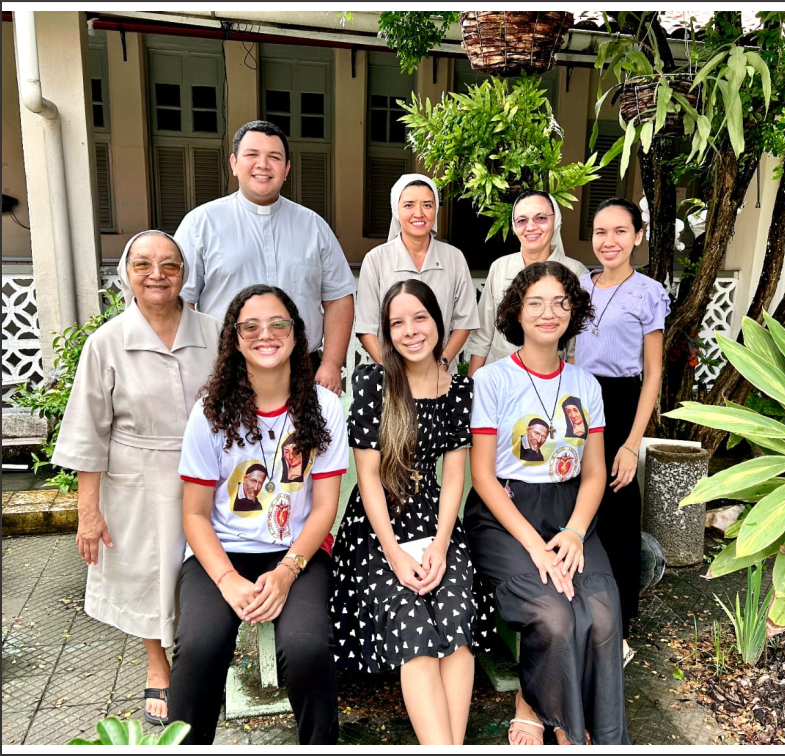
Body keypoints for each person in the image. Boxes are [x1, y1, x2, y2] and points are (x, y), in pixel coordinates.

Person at [51, 230, 220, 727]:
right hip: (136, 476)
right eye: (143, 264)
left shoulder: (213, 332)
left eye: (169, 265)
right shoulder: (107, 342)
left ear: (184, 273)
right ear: (127, 273)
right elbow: (87, 431)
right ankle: (157, 663)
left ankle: (201, 657)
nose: (157, 275)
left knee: (203, 572)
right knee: (150, 574)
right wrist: (88, 511)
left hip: (206, 476)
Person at [168, 285, 348, 744]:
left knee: (308, 648)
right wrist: (227, 580)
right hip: (222, 551)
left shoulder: (325, 407)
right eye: (250, 327)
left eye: (277, 324)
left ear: (296, 333)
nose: (265, 334)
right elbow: (194, 516)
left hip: (297, 550)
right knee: (200, 646)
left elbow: (324, 507)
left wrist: (287, 572)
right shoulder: (210, 412)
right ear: (235, 339)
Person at [464, 261, 629, 746]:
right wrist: (536, 547)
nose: (548, 312)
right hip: (506, 513)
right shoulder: (492, 380)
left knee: (603, 614)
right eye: (535, 302)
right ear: (516, 311)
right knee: (554, 615)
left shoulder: (586, 385)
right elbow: (482, 476)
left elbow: (594, 472)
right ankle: (547, 713)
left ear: (573, 311)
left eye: (560, 302)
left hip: (570, 512)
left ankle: (588, 722)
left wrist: (574, 532)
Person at [332, 280, 483, 745]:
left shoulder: (459, 388)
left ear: (438, 322)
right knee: (414, 630)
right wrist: (395, 554)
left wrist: (441, 544)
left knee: (456, 622)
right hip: (376, 528)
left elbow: (454, 476)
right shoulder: (373, 382)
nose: (410, 331)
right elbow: (368, 477)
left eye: (419, 318)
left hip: (435, 521)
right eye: (397, 323)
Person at [176, 120, 355, 395]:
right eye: (252, 155)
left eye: (274, 157)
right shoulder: (200, 224)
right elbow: (181, 302)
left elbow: (339, 298)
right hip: (225, 372)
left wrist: (331, 364)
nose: (263, 164)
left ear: (287, 169)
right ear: (234, 163)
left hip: (303, 372)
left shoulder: (313, 227)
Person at [574, 197, 670, 667]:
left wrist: (633, 444)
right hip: (576, 398)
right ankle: (577, 612)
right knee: (573, 502)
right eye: (600, 231)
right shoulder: (579, 286)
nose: (608, 240)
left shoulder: (648, 292)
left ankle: (619, 626)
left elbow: (653, 373)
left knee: (617, 510)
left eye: (619, 231)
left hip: (621, 401)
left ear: (637, 236)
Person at [354, 174, 479, 372]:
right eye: (409, 205)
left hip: (440, 375)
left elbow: (464, 321)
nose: (419, 213)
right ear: (396, 210)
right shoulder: (376, 259)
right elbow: (366, 328)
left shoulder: (454, 258)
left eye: (427, 205)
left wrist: (441, 365)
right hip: (390, 375)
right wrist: (394, 371)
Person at [467, 191, 589, 376]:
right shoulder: (500, 267)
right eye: (522, 220)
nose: (531, 227)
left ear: (555, 221)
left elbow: (577, 345)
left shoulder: (577, 273)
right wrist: (473, 385)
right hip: (499, 375)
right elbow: (483, 334)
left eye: (541, 218)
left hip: (551, 377)